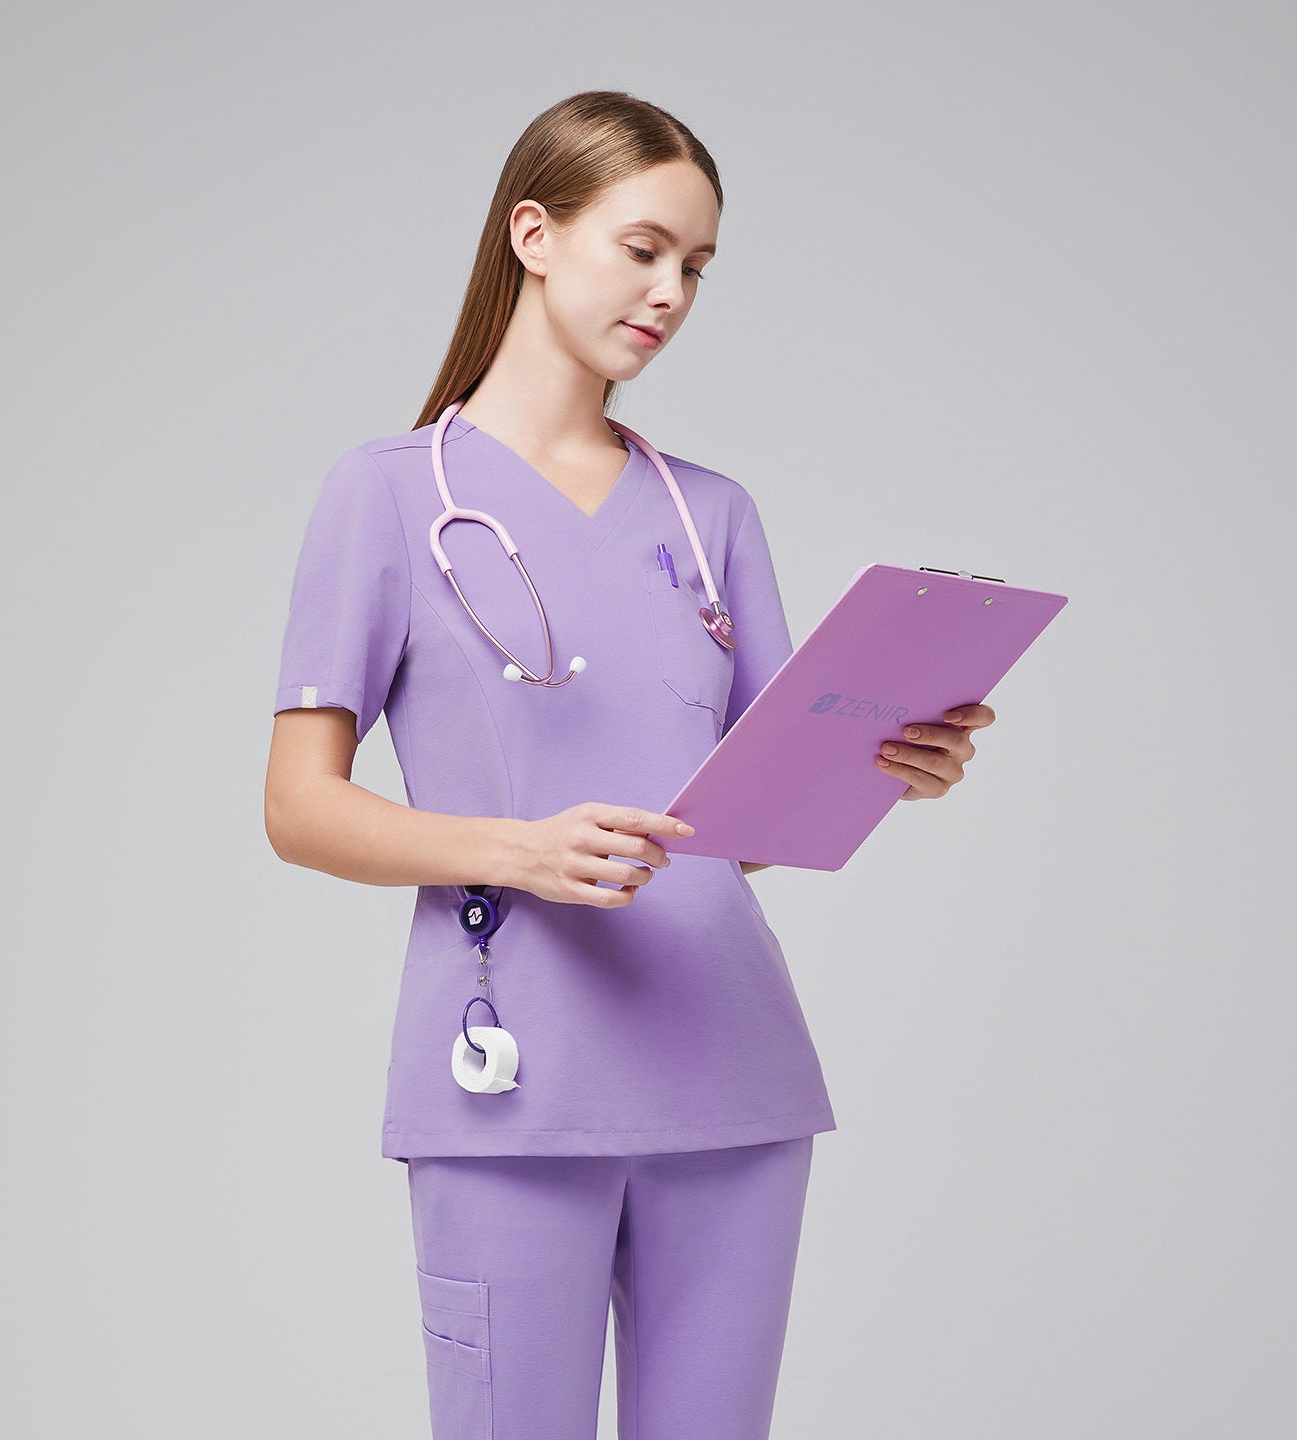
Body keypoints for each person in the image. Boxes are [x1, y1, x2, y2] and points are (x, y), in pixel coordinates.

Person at [264, 89, 992, 1440]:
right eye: (644, 249)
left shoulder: (708, 512)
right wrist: (519, 849)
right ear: (533, 235)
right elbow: (297, 809)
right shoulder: (386, 495)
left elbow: (755, 814)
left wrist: (892, 762)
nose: (671, 292)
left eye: (697, 269)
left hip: (735, 1079)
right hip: (514, 1086)